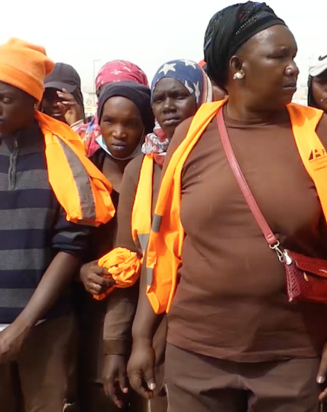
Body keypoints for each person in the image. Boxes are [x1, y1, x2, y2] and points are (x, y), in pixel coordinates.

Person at [132, 3, 327, 410]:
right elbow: (163, 248)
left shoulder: (318, 133)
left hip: (293, 356)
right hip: (196, 354)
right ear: (237, 66)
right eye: (279, 56)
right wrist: (140, 338)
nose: (293, 68)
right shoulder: (190, 134)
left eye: (293, 56)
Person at [0, 38, 114, 411]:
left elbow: (70, 248)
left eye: (4, 98)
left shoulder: (63, 161)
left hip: (45, 331)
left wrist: (22, 327)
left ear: (31, 99)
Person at [94, 59, 212, 412]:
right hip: (153, 324)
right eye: (159, 99)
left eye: (179, 96)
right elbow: (128, 260)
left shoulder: (219, 159)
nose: (168, 106)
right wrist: (117, 348)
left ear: (201, 97)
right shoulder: (141, 169)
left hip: (211, 323)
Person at [76, 80, 155, 412]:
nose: (119, 133)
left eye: (130, 123)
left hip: (148, 308)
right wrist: (81, 270)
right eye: (109, 121)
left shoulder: (156, 174)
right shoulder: (83, 171)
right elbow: (62, 242)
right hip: (94, 313)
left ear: (145, 126)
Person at [78, 60, 149, 155]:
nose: (118, 133)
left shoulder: (157, 147)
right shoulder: (79, 140)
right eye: (107, 94)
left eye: (126, 94)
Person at [41, 62, 86, 131]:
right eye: (49, 98)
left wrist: (77, 127)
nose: (56, 104)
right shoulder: (31, 132)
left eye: (62, 98)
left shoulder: (94, 132)